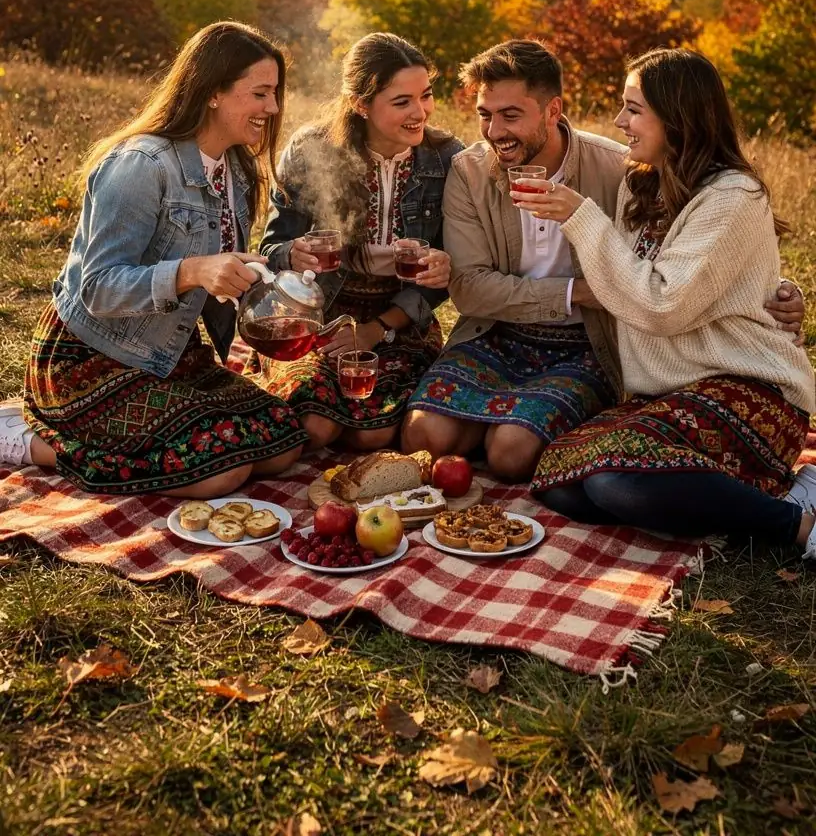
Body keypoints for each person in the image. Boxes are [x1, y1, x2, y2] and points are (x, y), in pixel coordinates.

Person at [402, 39, 804, 483]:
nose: (495, 130)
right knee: (424, 439)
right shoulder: (471, 170)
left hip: (588, 341)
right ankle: (483, 428)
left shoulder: (620, 168)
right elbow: (471, 289)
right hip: (496, 333)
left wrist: (777, 289)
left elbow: (692, 260)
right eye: (484, 114)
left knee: (512, 456)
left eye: (510, 115)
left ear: (553, 110)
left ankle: (503, 430)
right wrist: (577, 292)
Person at [525, 48, 816, 559]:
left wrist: (581, 217)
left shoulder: (734, 195)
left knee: (618, 482)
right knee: (562, 478)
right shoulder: (641, 184)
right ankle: (735, 494)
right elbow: (647, 279)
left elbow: (662, 303)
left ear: (678, 117)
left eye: (633, 108)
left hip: (747, 385)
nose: (620, 121)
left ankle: (798, 524)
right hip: (665, 391)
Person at [0, 22, 305, 495]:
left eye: (275, 94)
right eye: (260, 93)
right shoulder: (141, 166)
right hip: (91, 358)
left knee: (284, 439)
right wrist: (190, 272)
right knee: (220, 468)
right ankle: (33, 442)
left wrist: (281, 272)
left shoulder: (237, 168)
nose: (274, 108)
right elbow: (97, 287)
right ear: (213, 93)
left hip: (168, 352)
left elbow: (226, 264)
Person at [260, 32, 460, 452]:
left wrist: (377, 329)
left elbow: (443, 275)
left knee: (375, 431)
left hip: (399, 321)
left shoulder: (446, 159)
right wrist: (293, 255)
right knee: (315, 427)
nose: (420, 112)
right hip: (321, 316)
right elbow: (270, 251)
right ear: (360, 104)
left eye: (425, 95)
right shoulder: (312, 150)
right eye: (401, 101)